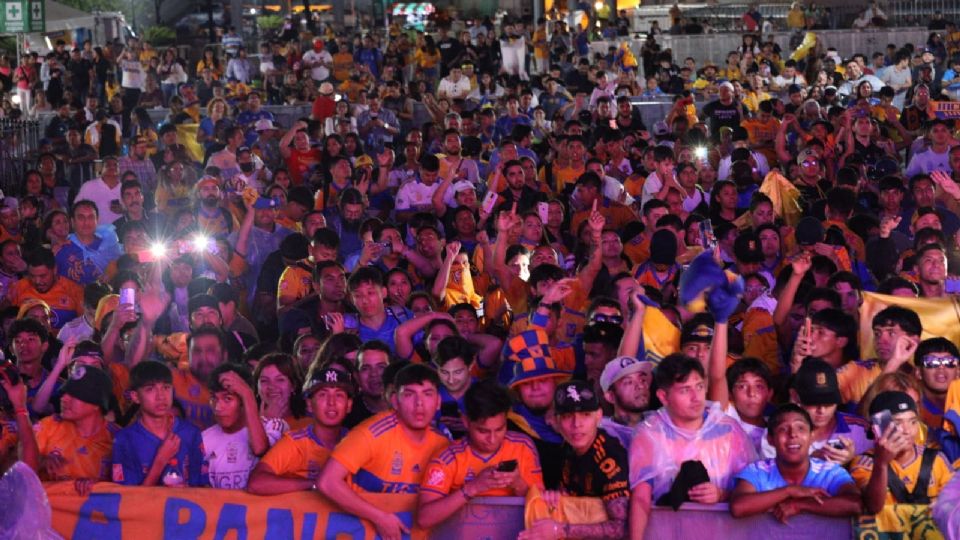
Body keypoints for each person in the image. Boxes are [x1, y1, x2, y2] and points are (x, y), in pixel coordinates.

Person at [628, 354, 758, 540]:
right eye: (684, 390)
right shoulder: (649, 434)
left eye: (699, 387)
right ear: (663, 396)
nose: (696, 397)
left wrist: (722, 494)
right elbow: (640, 498)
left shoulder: (729, 431)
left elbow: (755, 491)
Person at [317, 364, 449, 539]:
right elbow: (327, 482)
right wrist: (379, 517)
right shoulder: (371, 433)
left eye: (427, 394)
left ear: (438, 401)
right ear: (395, 401)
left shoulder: (442, 444)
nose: (419, 404)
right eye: (409, 394)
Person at [417, 380, 542, 528]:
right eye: (483, 431)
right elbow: (424, 519)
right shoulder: (449, 458)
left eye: (500, 429)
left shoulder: (522, 446)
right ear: (465, 421)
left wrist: (518, 484)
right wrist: (473, 487)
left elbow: (542, 509)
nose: (492, 439)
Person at [521, 380, 630, 539]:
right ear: (557, 421)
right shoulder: (568, 448)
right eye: (567, 416)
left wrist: (560, 530)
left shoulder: (610, 456)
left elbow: (621, 528)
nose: (576, 424)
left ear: (598, 416)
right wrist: (555, 496)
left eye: (585, 415)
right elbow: (567, 497)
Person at [729, 404, 862, 521]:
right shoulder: (757, 471)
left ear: (811, 437)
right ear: (771, 440)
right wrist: (789, 491)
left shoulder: (829, 471)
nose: (793, 434)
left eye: (801, 428)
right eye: (783, 429)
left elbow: (855, 504)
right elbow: (738, 507)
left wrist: (800, 505)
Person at [246, 365, 354, 495]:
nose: (331, 402)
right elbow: (256, 483)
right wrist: (315, 484)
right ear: (309, 404)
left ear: (349, 405)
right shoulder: (295, 442)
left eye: (339, 395)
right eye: (323, 395)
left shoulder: (358, 441)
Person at [852, 391, 954, 513]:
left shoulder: (936, 459)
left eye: (913, 422)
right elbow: (873, 507)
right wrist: (881, 464)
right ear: (877, 429)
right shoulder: (865, 463)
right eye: (897, 423)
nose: (908, 431)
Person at [111, 361, 205, 487]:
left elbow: (203, 492)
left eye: (166, 388)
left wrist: (186, 491)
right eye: (150, 389)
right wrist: (160, 460)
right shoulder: (124, 440)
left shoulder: (190, 433)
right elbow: (128, 501)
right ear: (135, 397)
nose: (161, 396)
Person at [202, 363, 285, 489]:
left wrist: (247, 393)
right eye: (214, 398)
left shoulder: (273, 426)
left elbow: (260, 449)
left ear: (245, 401)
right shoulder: (204, 438)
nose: (218, 408)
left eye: (227, 399)